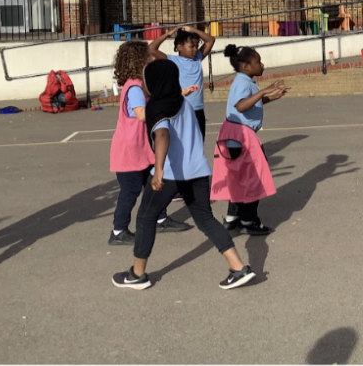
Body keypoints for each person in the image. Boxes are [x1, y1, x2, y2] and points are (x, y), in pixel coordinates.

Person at [112, 60, 255, 290]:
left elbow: (162, 135)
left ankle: (137, 274)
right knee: (206, 219)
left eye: (146, 79)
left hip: (170, 174)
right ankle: (239, 268)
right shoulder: (182, 103)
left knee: (145, 218)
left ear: (154, 82)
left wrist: (158, 169)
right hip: (198, 172)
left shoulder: (157, 106)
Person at [108, 42, 192, 246]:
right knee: (131, 191)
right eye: (148, 56)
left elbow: (157, 100)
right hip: (130, 150)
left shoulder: (141, 84)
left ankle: (160, 219)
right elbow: (141, 114)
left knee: (155, 184)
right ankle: (118, 231)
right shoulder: (135, 87)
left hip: (143, 147)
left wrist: (177, 94)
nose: (152, 58)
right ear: (138, 60)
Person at [211, 45, 289, 235]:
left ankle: (233, 217)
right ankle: (248, 220)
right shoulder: (243, 83)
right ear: (245, 66)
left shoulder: (245, 81)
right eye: (258, 62)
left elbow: (251, 102)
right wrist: (263, 92)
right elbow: (241, 106)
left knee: (238, 177)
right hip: (241, 136)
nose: (262, 65)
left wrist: (271, 97)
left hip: (235, 134)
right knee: (253, 177)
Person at [147, 25, 215, 138]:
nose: (195, 49)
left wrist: (193, 30)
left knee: (199, 143)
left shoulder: (198, 58)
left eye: (197, 46)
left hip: (198, 110)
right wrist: (167, 35)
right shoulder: (172, 60)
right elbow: (151, 49)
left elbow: (210, 40)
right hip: (181, 111)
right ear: (179, 47)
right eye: (191, 46)